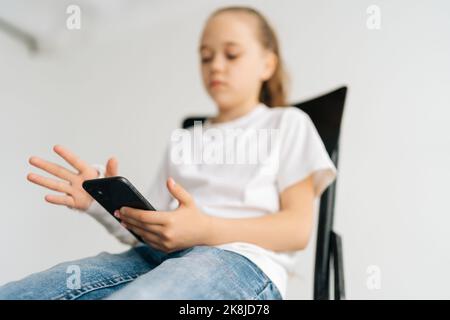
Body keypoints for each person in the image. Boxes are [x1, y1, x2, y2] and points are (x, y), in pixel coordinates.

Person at [0, 6, 336, 300]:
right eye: (206, 57)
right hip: (156, 257)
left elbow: (296, 230)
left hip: (241, 264)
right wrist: (98, 203)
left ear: (267, 64)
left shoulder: (288, 124)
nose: (216, 66)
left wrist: (204, 229)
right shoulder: (184, 139)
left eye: (231, 54)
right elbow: (153, 225)